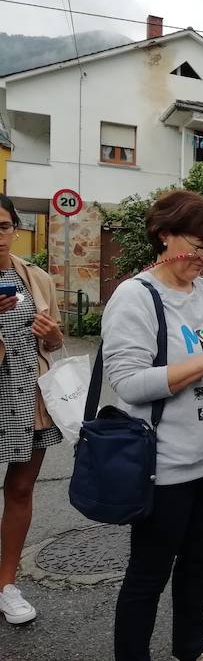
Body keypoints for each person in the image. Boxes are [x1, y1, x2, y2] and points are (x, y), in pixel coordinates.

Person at [102, 190, 203, 661]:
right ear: (162, 234)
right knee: (148, 574)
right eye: (195, 246)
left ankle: (191, 647)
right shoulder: (136, 297)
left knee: (198, 564)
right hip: (167, 463)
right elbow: (130, 383)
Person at [0, 194, 64, 625]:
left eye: (4, 226)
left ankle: (6, 584)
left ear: (15, 230)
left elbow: (55, 343)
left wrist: (53, 334)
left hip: (29, 396)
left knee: (21, 490)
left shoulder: (34, 278)